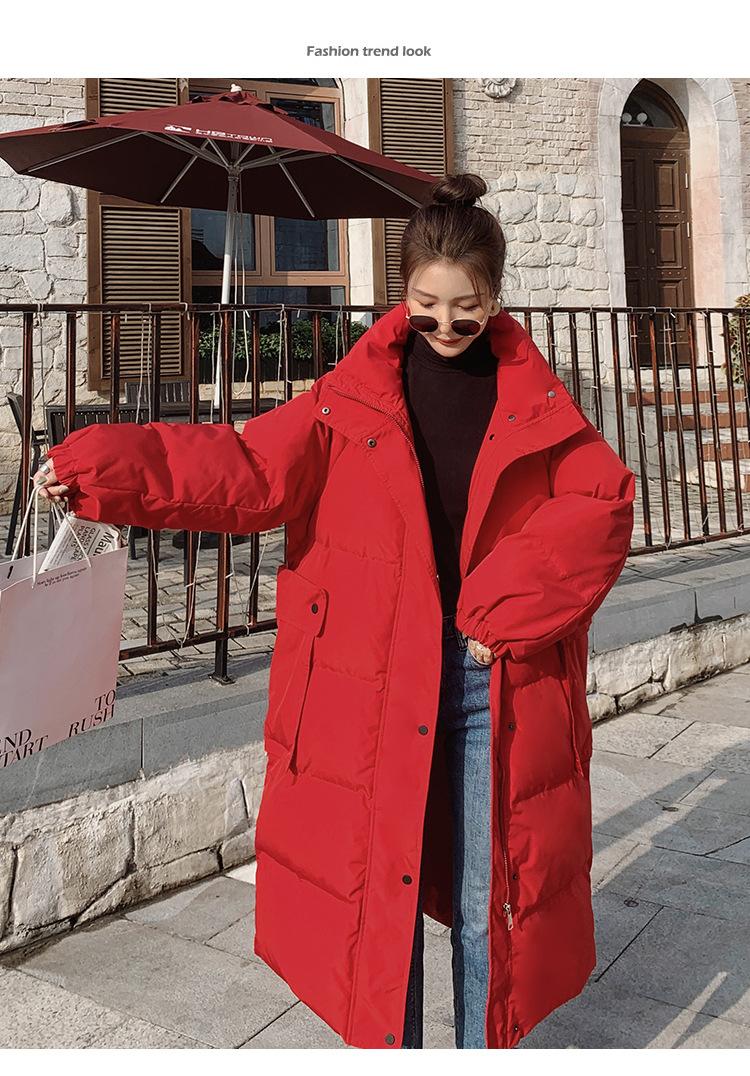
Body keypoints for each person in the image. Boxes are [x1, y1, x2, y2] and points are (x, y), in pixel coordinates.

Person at [35, 172, 635, 1050]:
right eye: (427, 306)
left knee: (489, 907)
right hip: (374, 680)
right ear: (403, 292)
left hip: (491, 677)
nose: (445, 326)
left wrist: (501, 611)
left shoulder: (537, 402)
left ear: (496, 298)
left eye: (466, 310)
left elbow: (602, 504)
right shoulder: (345, 401)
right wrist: (99, 469)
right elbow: (242, 468)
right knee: (379, 911)